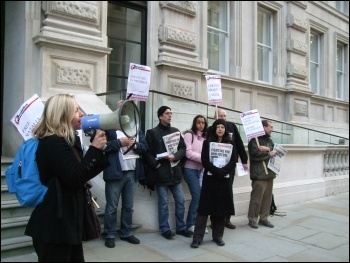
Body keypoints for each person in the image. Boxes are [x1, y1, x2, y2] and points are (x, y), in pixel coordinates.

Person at [25, 94, 110, 262]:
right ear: (63, 114)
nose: (81, 114)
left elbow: (81, 173)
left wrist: (97, 149)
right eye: (76, 110)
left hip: (67, 223)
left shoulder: (67, 141)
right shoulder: (52, 142)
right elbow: (75, 177)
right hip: (55, 227)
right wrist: (94, 150)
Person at [103, 100, 148, 248]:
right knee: (112, 207)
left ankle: (126, 232)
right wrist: (119, 143)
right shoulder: (109, 128)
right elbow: (102, 147)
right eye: (122, 111)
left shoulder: (135, 128)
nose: (125, 115)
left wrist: (135, 144)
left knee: (128, 206)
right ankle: (109, 233)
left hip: (132, 173)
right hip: (115, 173)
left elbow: (145, 147)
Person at [143, 106, 192, 239]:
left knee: (180, 200)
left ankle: (181, 227)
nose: (170, 115)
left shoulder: (176, 131)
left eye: (171, 113)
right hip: (161, 173)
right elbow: (146, 153)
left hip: (175, 172)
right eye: (167, 113)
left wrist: (175, 156)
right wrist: (157, 165)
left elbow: (183, 148)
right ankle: (165, 229)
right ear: (160, 116)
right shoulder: (152, 133)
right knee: (163, 203)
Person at [190, 119, 236, 248]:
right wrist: (216, 171)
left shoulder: (230, 143)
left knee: (220, 209)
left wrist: (223, 171)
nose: (220, 129)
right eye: (218, 127)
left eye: (222, 127)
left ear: (225, 129)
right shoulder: (207, 143)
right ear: (214, 129)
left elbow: (233, 161)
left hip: (224, 180)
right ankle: (197, 238)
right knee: (203, 210)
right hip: (210, 180)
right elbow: (204, 160)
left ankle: (218, 236)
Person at [207, 108, 248, 229]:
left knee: (227, 191)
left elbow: (239, 144)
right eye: (221, 115)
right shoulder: (211, 130)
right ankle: (214, 219)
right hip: (214, 167)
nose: (223, 118)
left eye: (225, 116)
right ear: (215, 117)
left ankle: (227, 219)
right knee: (215, 192)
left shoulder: (232, 127)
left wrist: (244, 160)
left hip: (229, 165)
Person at [247, 119, 277, 229]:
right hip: (259, 174)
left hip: (269, 173)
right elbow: (254, 155)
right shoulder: (254, 141)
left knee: (267, 198)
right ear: (264, 127)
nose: (272, 129)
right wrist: (269, 154)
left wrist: (268, 149)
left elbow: (274, 152)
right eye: (270, 127)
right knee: (256, 198)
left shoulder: (269, 141)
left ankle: (264, 218)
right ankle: (252, 219)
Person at [182, 115, 208, 234]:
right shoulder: (189, 134)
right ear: (194, 123)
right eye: (198, 122)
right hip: (190, 169)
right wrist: (204, 159)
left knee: (203, 197)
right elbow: (188, 153)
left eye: (203, 123)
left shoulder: (205, 137)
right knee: (197, 196)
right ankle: (190, 224)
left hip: (202, 171)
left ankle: (200, 224)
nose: (201, 125)